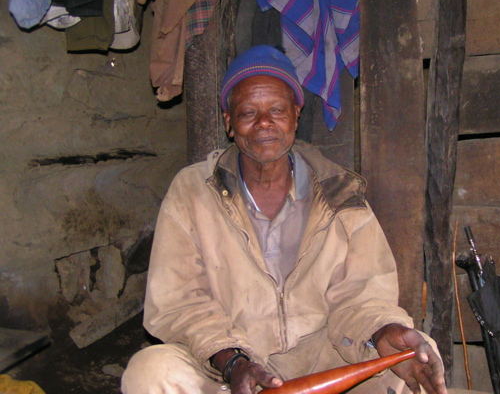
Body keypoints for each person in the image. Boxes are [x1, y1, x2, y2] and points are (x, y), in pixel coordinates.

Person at [121, 45, 450, 394]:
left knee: (413, 356)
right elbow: (179, 301)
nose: (264, 123)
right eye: (248, 112)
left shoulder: (339, 193)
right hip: (229, 364)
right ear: (229, 123)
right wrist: (233, 361)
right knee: (149, 372)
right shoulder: (192, 191)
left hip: (324, 362)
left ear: (295, 114)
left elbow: (362, 295)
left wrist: (383, 331)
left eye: (276, 110)